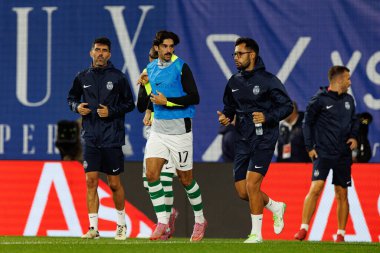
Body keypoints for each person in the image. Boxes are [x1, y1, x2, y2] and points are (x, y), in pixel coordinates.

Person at [217, 37, 293, 243]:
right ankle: (276, 206)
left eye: (239, 54)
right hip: (242, 138)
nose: (235, 57)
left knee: (252, 185)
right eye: (234, 54)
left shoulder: (269, 80)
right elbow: (229, 107)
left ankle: (257, 234)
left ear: (252, 55)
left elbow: (287, 106)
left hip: (264, 138)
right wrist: (226, 117)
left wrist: (267, 117)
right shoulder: (233, 81)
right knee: (243, 192)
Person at [67, 37, 135, 240]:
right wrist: (76, 107)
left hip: (112, 137)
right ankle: (93, 228)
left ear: (109, 55)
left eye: (104, 50)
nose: (100, 53)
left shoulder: (118, 77)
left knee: (114, 183)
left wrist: (112, 111)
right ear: (91, 53)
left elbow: (129, 104)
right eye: (97, 50)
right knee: (91, 181)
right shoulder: (82, 77)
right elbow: (71, 99)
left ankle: (121, 224)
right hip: (90, 137)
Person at [144, 31, 207, 242]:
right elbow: (153, 97)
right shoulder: (150, 68)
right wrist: (145, 87)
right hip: (159, 130)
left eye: (172, 47)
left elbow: (194, 97)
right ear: (157, 48)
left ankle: (199, 220)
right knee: (152, 175)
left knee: (186, 180)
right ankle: (162, 221)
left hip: (180, 130)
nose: (169, 50)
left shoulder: (182, 67)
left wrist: (167, 102)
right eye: (165, 47)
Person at [294, 65, 359, 242]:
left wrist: (354, 136)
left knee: (342, 193)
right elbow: (307, 123)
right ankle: (303, 229)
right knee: (316, 188)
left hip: (343, 155)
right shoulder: (319, 99)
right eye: (347, 78)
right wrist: (309, 147)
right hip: (323, 153)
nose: (349, 81)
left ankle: (341, 234)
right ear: (339, 80)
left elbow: (355, 121)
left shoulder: (349, 100)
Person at [136, 47, 178, 240]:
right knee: (149, 181)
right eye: (151, 58)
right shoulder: (148, 74)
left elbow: (170, 100)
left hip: (172, 130)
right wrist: (145, 87)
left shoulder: (173, 74)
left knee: (166, 177)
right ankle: (169, 215)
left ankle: (165, 226)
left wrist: (150, 109)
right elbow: (141, 104)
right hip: (155, 132)